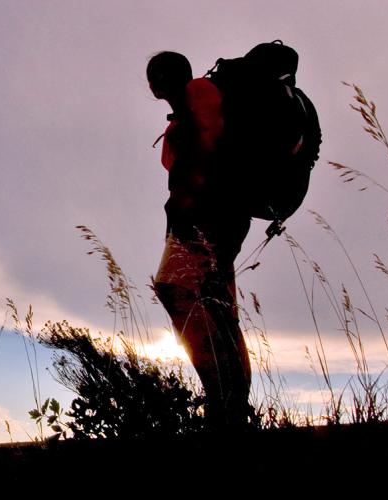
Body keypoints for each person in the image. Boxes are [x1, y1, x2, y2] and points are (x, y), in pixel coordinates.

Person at [146, 51, 254, 430]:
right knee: (217, 308)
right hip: (219, 219)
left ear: (164, 77)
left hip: (205, 219)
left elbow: (208, 148)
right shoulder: (194, 102)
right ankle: (231, 407)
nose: (152, 81)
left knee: (174, 289)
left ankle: (224, 401)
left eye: (155, 73)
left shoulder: (200, 95)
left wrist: (185, 206)